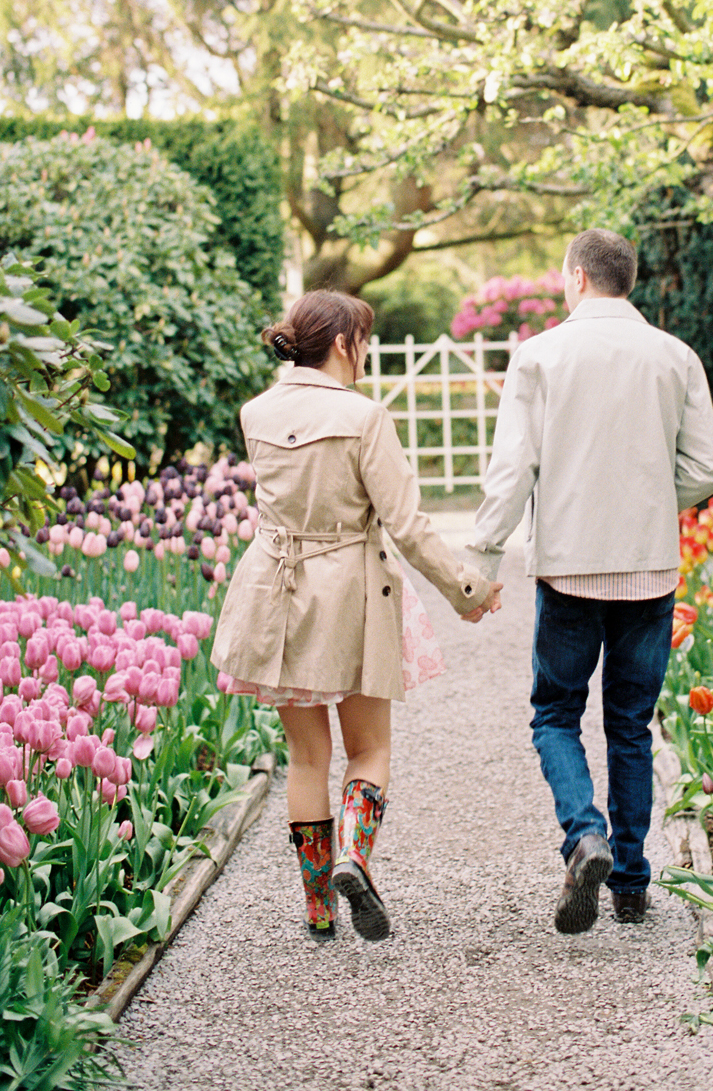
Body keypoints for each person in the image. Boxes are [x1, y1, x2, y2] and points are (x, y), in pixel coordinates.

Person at [213, 290, 503, 941]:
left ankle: (319, 906)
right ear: (344, 343)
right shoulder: (364, 417)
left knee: (305, 755)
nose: (366, 351)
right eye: (363, 339)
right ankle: (354, 855)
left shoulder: (255, 412)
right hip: (352, 597)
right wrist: (469, 590)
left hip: (277, 596)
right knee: (369, 746)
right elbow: (406, 526)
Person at [467, 229, 713, 934]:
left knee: (555, 713)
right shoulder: (674, 356)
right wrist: (651, 499)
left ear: (577, 277)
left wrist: (483, 559)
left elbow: (510, 469)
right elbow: (709, 465)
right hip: (648, 566)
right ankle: (633, 887)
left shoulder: (539, 356)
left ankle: (585, 835)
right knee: (630, 726)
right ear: (626, 280)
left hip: (570, 567)